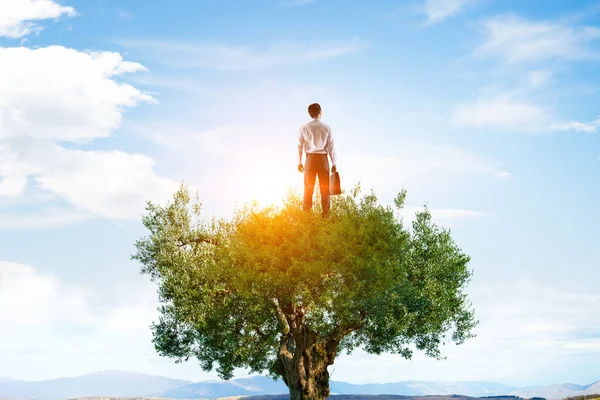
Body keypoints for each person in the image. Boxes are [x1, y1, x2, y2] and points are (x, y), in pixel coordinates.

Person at [297, 103, 337, 215]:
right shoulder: (327, 127)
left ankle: (307, 218)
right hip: (323, 160)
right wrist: (334, 163)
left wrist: (299, 162)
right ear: (320, 112)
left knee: (308, 189)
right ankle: (326, 217)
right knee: (325, 190)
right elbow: (331, 147)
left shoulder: (303, 127)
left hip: (310, 160)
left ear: (309, 114)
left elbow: (299, 146)